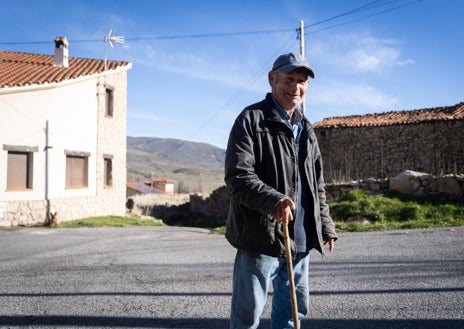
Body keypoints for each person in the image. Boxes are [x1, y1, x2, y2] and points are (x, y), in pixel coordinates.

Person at [224, 52, 338, 329]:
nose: (295, 87)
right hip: (260, 238)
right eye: (289, 79)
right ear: (272, 79)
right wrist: (273, 200)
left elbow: (316, 184)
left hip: (299, 240)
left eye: (302, 81)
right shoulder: (251, 119)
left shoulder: (307, 129)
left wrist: (324, 224)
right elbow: (238, 176)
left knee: (292, 316)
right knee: (247, 317)